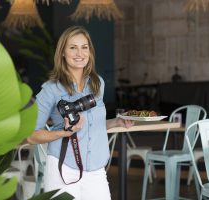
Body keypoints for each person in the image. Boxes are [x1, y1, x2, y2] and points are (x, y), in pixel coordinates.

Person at [27, 26, 133, 200]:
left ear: (90, 52)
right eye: (72, 47)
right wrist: (64, 132)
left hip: (96, 170)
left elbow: (92, 125)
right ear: (62, 52)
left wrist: (116, 122)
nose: (79, 53)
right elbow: (31, 135)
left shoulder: (97, 84)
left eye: (84, 47)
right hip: (64, 170)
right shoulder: (51, 89)